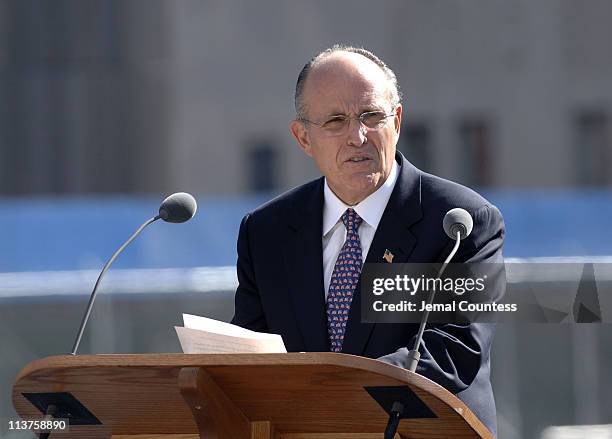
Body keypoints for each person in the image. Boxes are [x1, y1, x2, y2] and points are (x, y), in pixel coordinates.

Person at [231, 45, 504, 436]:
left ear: (397, 121)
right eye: (336, 121)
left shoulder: (459, 222)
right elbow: (254, 352)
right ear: (303, 138)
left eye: (371, 116)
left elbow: (453, 353)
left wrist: (333, 394)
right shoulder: (267, 232)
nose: (357, 136)